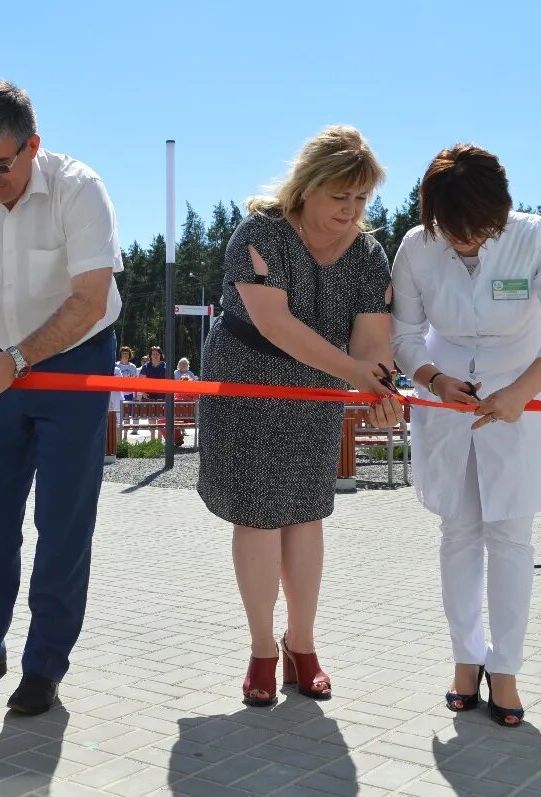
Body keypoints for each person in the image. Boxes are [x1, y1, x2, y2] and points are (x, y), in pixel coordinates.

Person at [0, 80, 122, 715]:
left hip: (76, 362)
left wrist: (16, 360)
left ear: (33, 145)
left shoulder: (79, 187)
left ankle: (44, 666)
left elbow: (90, 298)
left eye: (0, 165)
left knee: (62, 523)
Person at [196, 124, 401, 707]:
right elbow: (274, 324)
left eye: (362, 199)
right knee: (258, 518)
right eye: (341, 196)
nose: (352, 210)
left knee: (307, 514)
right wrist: (357, 374)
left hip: (316, 392)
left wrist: (378, 383)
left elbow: (373, 338)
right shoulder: (259, 231)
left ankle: (302, 645)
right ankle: (263, 648)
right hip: (246, 388)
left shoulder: (368, 253)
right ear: (308, 187)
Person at [391, 144, 541, 727]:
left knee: (510, 536)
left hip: (523, 391)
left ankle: (505, 667)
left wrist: (522, 391)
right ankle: (464, 660)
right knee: (459, 532)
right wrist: (432, 377)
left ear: (500, 213)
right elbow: (405, 333)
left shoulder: (537, 236)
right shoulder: (416, 246)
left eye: (478, 230)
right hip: (447, 394)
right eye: (454, 231)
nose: (466, 242)